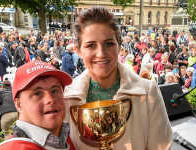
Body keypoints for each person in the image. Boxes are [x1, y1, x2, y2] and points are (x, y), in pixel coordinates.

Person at [64, 7, 172, 150]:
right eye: (91, 45)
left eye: (109, 43)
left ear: (119, 46)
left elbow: (161, 147)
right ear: (78, 51)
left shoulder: (148, 92)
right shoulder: (67, 97)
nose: (101, 53)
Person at [0, 61, 74, 150]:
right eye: (37, 93)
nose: (50, 99)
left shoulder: (66, 137)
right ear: (19, 104)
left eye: (55, 90)